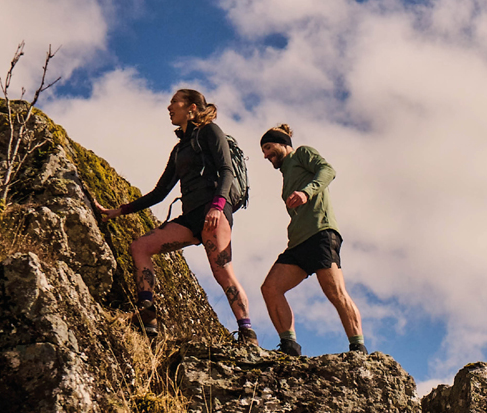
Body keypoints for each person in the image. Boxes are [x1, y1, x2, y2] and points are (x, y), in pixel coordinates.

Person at [94, 89, 256, 342]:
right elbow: (159, 192)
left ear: (191, 108)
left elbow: (226, 170)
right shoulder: (179, 149)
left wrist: (217, 205)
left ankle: (247, 333)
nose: (169, 107)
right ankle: (147, 313)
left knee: (222, 271)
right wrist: (120, 211)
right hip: (190, 217)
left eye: (174, 102)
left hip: (213, 210)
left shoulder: (211, 131)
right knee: (140, 247)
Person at [256, 124, 365, 356]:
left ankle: (358, 347)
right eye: (263, 151)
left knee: (335, 291)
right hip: (297, 243)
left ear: (284, 143)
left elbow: (327, 170)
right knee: (270, 288)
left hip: (320, 233)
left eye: (268, 147)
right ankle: (289, 346)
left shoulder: (301, 153)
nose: (265, 155)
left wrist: (307, 192)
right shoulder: (286, 173)